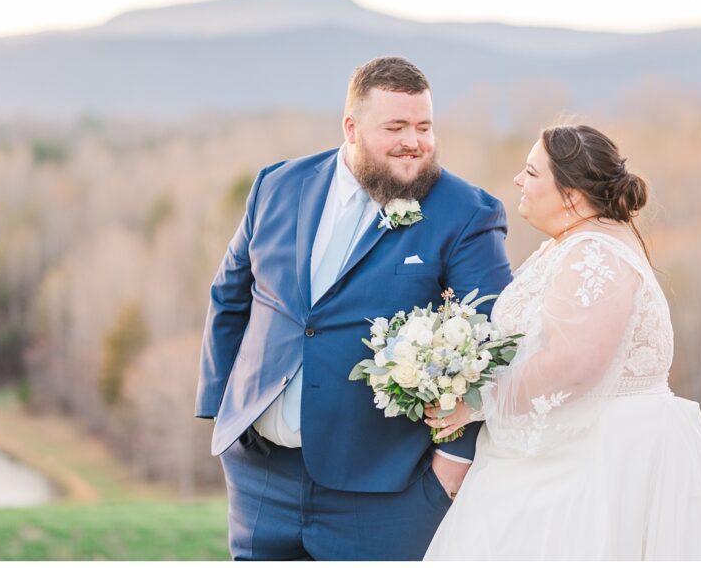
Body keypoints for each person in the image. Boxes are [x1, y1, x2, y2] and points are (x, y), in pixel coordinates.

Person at [195, 56, 512, 560]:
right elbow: (230, 296)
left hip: (384, 491)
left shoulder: (467, 213)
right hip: (260, 476)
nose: (415, 141)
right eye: (396, 127)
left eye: (425, 126)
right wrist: (222, 413)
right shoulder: (277, 186)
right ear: (351, 128)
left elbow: (491, 344)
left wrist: (452, 465)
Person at [423, 124, 701, 560]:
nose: (519, 181)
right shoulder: (575, 245)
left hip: (604, 460)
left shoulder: (594, 253)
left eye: (532, 173)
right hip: (574, 447)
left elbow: (574, 364)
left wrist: (480, 398)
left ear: (571, 196)